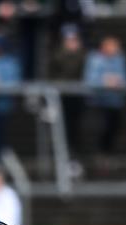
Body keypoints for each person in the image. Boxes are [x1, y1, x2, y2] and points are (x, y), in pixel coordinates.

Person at [84, 36, 126, 153]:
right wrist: (105, 81)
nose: (115, 49)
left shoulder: (120, 59)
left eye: (116, 47)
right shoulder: (94, 59)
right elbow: (90, 79)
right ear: (104, 47)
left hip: (115, 102)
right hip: (98, 101)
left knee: (113, 128)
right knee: (99, 128)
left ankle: (108, 152)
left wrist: (118, 81)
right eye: (112, 46)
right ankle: (98, 152)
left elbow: (125, 78)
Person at [49, 26, 86, 155]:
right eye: (68, 39)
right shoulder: (57, 55)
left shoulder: (82, 55)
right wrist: (69, 54)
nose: (71, 42)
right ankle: (61, 152)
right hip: (62, 96)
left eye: (73, 39)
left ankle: (74, 153)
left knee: (75, 127)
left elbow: (82, 73)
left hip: (77, 97)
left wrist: (76, 53)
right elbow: (54, 75)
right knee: (61, 126)